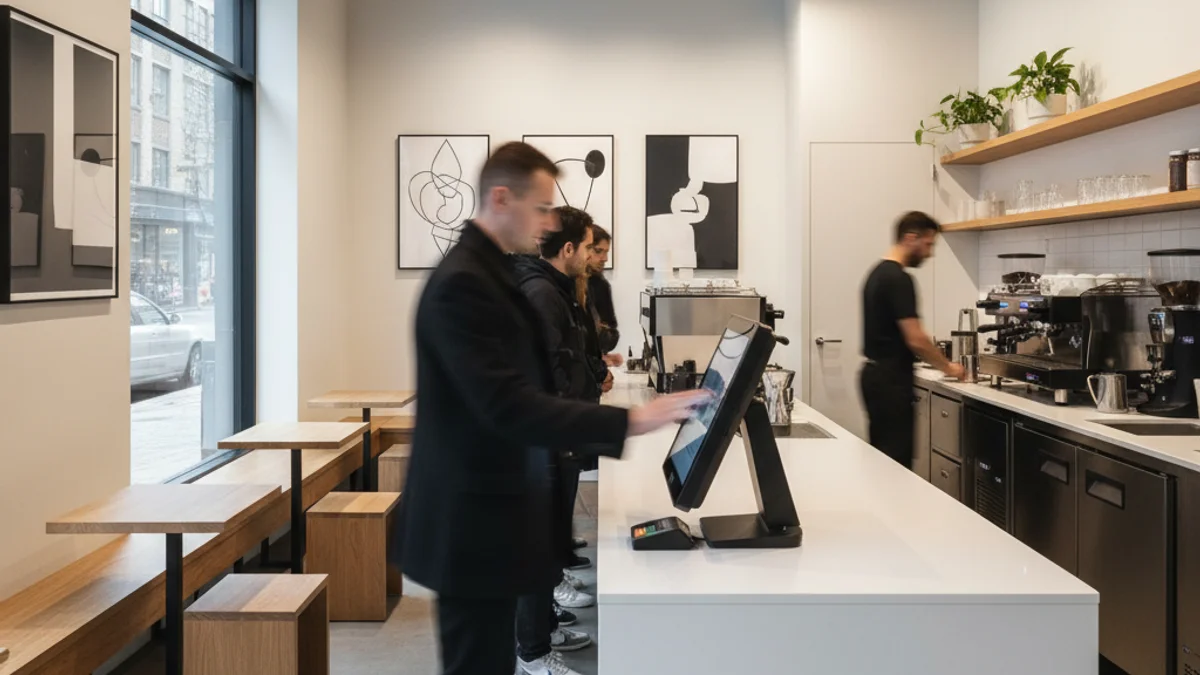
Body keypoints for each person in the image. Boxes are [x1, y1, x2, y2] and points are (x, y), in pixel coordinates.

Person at [395, 141, 708, 675]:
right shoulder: (463, 284)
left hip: (490, 514)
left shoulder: (492, 272)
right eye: (540, 208)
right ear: (501, 198)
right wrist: (633, 419)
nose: (547, 224)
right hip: (468, 522)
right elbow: (508, 406)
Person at [513, 206, 607, 674]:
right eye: (590, 246)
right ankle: (532, 654)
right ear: (568, 249)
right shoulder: (541, 295)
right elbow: (545, 378)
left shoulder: (554, 290)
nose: (594, 255)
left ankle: (544, 631)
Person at [859, 211, 964, 468]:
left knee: (883, 460)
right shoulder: (899, 279)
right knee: (896, 464)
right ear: (910, 238)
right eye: (928, 245)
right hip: (890, 381)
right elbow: (916, 338)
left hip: (874, 376)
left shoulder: (876, 273)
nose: (930, 253)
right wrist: (949, 367)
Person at [585, 225, 620, 355]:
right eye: (598, 251)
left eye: (606, 252)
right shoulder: (565, 284)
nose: (605, 258)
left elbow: (612, 334)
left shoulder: (601, 285)